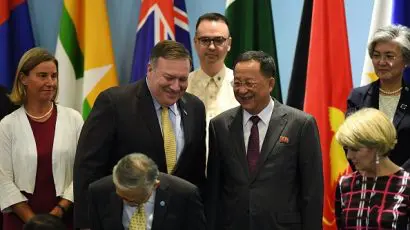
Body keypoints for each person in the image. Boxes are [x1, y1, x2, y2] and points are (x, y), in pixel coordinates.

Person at [74, 40, 206, 228]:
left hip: (175, 220)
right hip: (125, 215)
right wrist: (86, 223)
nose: (176, 87)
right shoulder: (114, 103)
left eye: (183, 79)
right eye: (169, 78)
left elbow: (195, 173)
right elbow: (87, 167)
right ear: (149, 70)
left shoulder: (195, 108)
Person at [206, 51, 323, 230]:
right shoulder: (219, 126)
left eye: (249, 83)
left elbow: (312, 192)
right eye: (237, 83)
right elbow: (214, 191)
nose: (242, 90)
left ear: (270, 84)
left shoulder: (300, 124)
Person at [0, 47, 83, 229]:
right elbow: (3, 179)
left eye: (53, 76)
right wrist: (35, 223)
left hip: (64, 218)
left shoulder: (74, 119)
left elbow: (82, 170)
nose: (50, 82)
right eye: (42, 76)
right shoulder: (8, 125)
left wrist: (59, 211)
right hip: (20, 220)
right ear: (23, 79)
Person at [347, 24, 410, 170]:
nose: (381, 62)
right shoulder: (358, 97)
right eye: (376, 55)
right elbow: (349, 141)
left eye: (389, 56)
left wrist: (399, 177)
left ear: (406, 61)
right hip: (368, 181)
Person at [335, 108, 410, 229]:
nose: (349, 155)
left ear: (376, 146)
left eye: (355, 149)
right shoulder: (345, 184)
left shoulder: (406, 185)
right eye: (346, 148)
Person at [88, 153, 206, 230]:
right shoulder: (99, 191)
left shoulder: (184, 195)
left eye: (132, 200)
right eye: (122, 196)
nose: (126, 200)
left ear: (154, 185)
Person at [187, 13, 238, 122]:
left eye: (219, 40)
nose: (211, 47)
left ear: (229, 43)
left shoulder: (242, 86)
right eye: (205, 40)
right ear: (195, 42)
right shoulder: (181, 87)